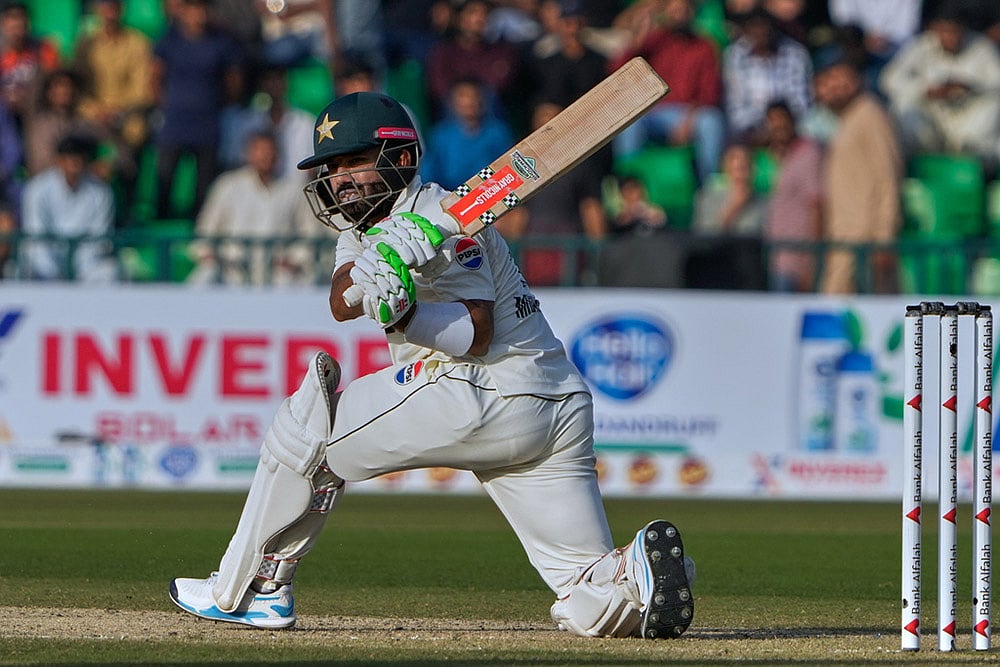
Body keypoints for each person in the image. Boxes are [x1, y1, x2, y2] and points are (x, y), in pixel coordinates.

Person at [168, 90, 695, 640]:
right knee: (583, 590)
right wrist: (376, 270)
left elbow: (476, 334)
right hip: (556, 406)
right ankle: (635, 573)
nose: (339, 179)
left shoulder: (449, 220)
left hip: (483, 388)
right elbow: (341, 302)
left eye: (353, 162)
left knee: (307, 428)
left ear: (399, 157)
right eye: (331, 168)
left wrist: (407, 312)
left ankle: (251, 591)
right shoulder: (362, 228)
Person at [187, 130, 327, 287]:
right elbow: (206, 229)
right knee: (204, 278)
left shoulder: (293, 188)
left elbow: (311, 232)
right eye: (259, 151)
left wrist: (295, 259)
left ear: (278, 154)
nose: (265, 156)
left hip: (279, 274)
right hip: (231, 271)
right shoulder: (228, 185)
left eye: (269, 151)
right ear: (248, 154)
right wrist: (208, 255)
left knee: (308, 280)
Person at [609, 0, 724, 184]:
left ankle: (708, 185)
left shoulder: (704, 46)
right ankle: (627, 185)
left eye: (684, 10)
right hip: (652, 113)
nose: (679, 15)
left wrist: (688, 121)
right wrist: (638, 41)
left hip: (689, 113)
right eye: (675, 10)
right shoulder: (655, 41)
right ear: (667, 13)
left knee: (711, 122)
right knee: (629, 123)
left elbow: (709, 93)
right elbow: (619, 72)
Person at [151, 0, 245, 219]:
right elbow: (154, 76)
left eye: (202, 9)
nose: (198, 15)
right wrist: (167, 104)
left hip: (208, 121)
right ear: (183, 12)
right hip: (174, 121)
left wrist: (219, 102)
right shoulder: (168, 40)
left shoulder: (221, 41)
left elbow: (234, 79)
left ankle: (198, 223)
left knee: (204, 180)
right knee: (165, 175)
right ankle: (161, 222)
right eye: (193, 10)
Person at [818, 50, 902, 294]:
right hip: (844, 234)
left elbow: (887, 176)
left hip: (865, 236)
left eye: (842, 79)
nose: (835, 88)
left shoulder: (871, 114)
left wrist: (884, 237)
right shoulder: (846, 120)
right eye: (828, 81)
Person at [879, 2, 1000, 161]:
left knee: (993, 105)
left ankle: (971, 157)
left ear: (963, 29)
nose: (949, 37)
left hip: (967, 121)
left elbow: (996, 84)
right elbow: (889, 79)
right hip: (932, 119)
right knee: (903, 105)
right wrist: (926, 90)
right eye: (944, 31)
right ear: (934, 29)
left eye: (954, 31)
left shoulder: (981, 46)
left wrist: (970, 87)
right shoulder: (921, 46)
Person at [19, 132, 117, 282]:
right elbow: (36, 236)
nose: (75, 163)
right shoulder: (37, 189)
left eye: (79, 157)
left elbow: (99, 240)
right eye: (70, 157)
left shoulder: (101, 193)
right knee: (30, 266)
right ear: (58, 160)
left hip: (86, 267)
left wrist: (75, 270)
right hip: (45, 265)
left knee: (110, 272)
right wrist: (54, 272)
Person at [722, 6, 813, 144]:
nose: (760, 32)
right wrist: (764, 126)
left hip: (790, 128)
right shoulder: (735, 56)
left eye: (764, 26)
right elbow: (735, 110)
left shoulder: (795, 54)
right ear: (745, 31)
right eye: (754, 27)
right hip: (749, 132)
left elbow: (801, 103)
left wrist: (779, 125)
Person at [761, 100, 823, 292]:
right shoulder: (771, 157)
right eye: (772, 122)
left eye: (782, 120)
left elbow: (817, 205)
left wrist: (811, 261)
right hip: (773, 257)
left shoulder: (808, 154)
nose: (778, 127)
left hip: (796, 259)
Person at [419, 77, 513, 191]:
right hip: (449, 195)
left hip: (491, 194)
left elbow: (508, 168)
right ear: (452, 102)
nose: (469, 101)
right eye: (463, 96)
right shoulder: (440, 135)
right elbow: (428, 173)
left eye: (474, 95)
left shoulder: (497, 132)